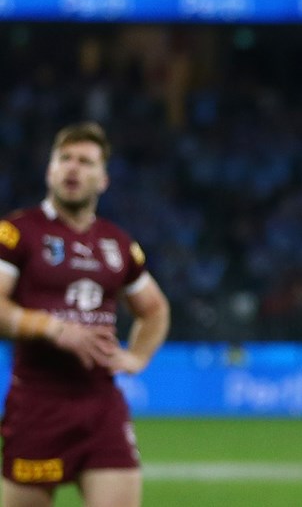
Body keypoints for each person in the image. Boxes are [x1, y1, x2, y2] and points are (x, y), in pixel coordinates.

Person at [0, 121, 172, 507]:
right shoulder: (17, 232)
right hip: (37, 404)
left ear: (103, 180)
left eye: (86, 162)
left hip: (101, 404)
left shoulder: (117, 243)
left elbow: (155, 309)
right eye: (65, 159)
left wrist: (137, 357)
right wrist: (53, 328)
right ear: (50, 171)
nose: (73, 168)